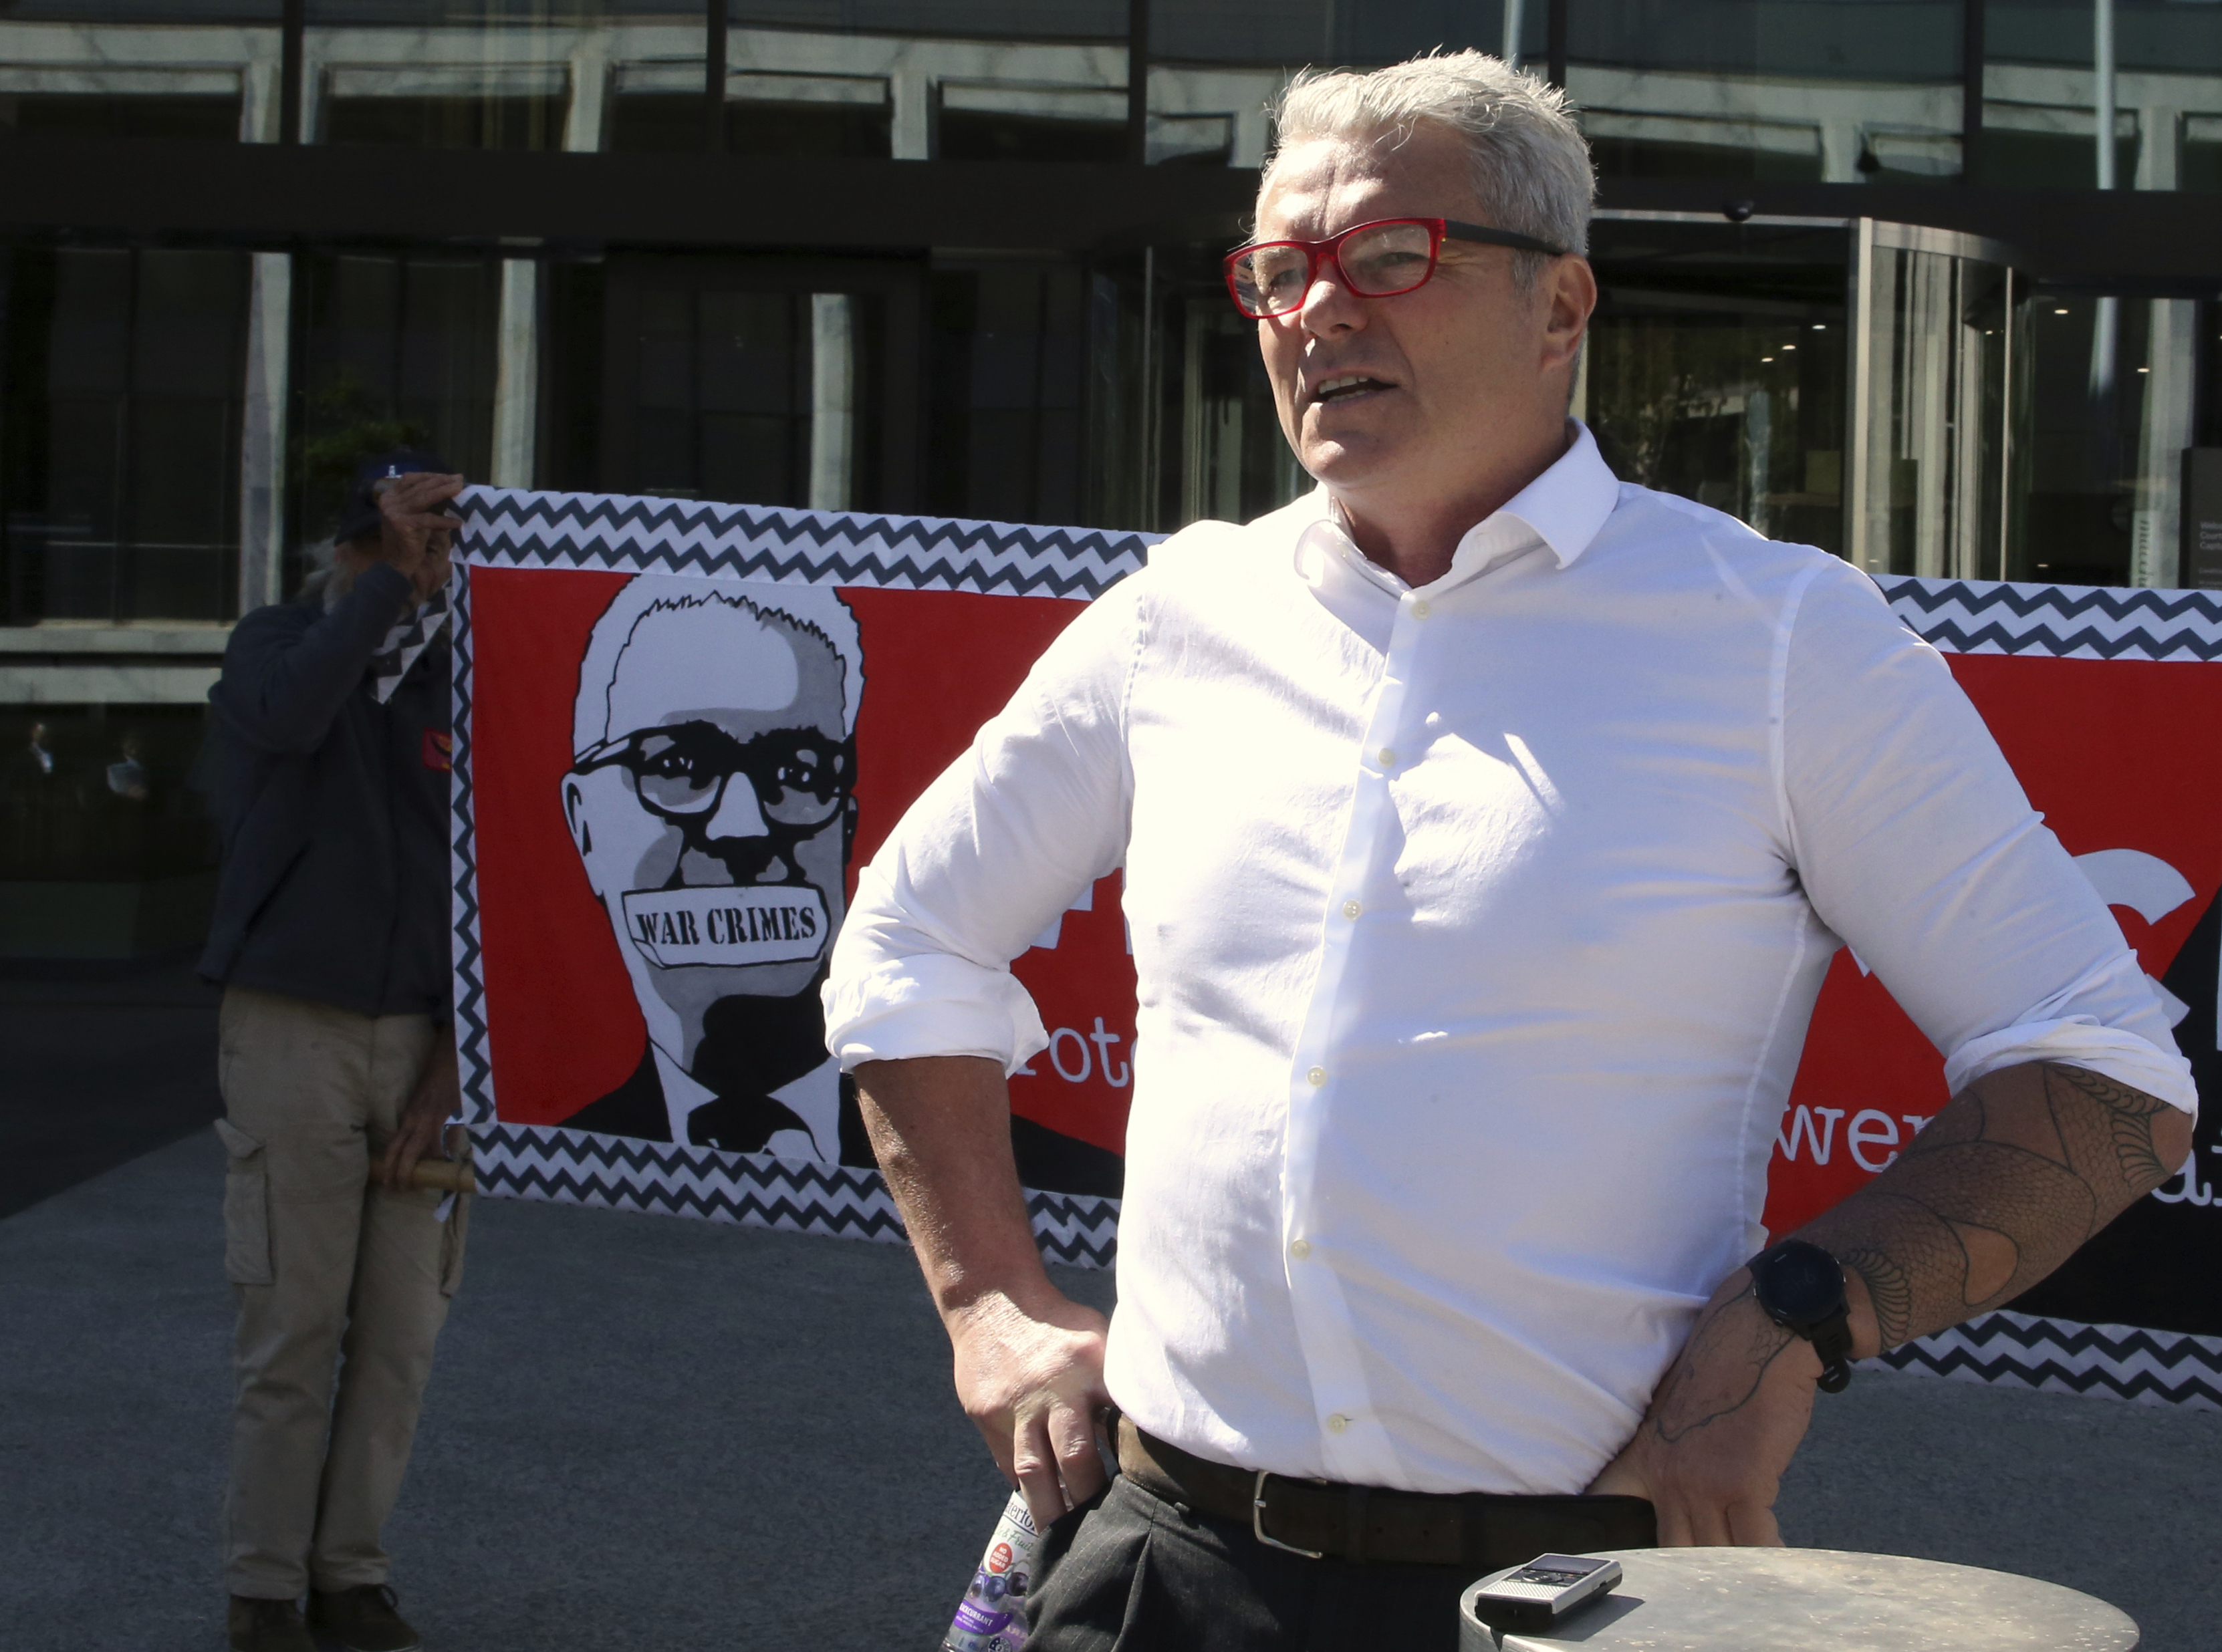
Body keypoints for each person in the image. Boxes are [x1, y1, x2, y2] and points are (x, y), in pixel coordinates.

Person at [820, 53, 2197, 1651]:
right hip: (1159, 1563)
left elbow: (2103, 1073)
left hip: (1569, 1598)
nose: (1315, 310)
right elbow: (908, 937)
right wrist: (989, 1303)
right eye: (1276, 269)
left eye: (1387, 255)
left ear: (1559, 309)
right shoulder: (1171, 621)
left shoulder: (1775, 642)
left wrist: (1792, 1320)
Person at [201, 450, 469, 1652]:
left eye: (444, 545)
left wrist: (461, 1061)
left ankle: (349, 1573)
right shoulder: (276, 643)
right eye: (408, 539)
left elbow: (497, 880)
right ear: (346, 548)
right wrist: (379, 594)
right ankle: (263, 1589)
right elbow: (290, 714)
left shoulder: (468, 682)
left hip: (424, 1042)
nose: (430, 567)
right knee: (292, 1326)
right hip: (291, 1024)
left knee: (401, 1334)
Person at [558, 576, 865, 1160]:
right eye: (678, 764)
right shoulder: (551, 1161)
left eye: (798, 772)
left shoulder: (1036, 1181)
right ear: (587, 826)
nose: (742, 826)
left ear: (845, 826)